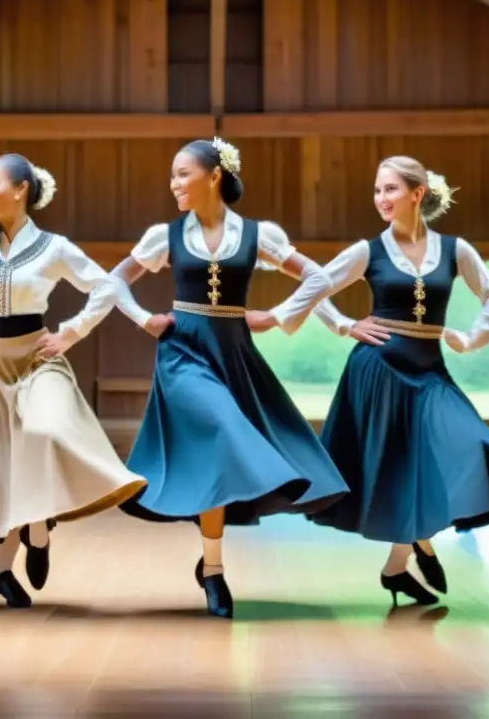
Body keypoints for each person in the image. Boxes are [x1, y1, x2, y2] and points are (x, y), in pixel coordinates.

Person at [246, 155, 489, 605]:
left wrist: (470, 338)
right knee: (402, 471)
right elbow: (316, 286)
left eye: (391, 189)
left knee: (470, 443)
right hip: (378, 372)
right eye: (378, 190)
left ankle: (402, 560)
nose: (381, 198)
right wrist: (345, 326)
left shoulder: (455, 249)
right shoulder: (368, 251)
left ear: (417, 194)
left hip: (430, 370)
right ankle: (404, 560)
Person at [109, 137, 349, 618]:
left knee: (222, 450)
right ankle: (216, 573)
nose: (173, 183)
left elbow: (319, 278)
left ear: (213, 175)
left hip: (234, 353)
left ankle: (212, 566)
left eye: (182, 173)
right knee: (222, 427)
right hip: (182, 353)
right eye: (173, 175)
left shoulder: (259, 235)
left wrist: (279, 315)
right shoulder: (166, 235)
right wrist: (143, 318)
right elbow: (114, 279)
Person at [0, 153, 147, 609]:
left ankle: (40, 526)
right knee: (6, 469)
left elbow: (107, 286)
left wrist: (71, 333)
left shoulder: (55, 247)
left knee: (43, 440)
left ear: (21, 189)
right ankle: (7, 562)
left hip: (38, 357)